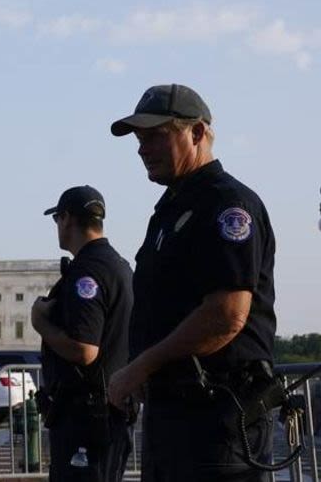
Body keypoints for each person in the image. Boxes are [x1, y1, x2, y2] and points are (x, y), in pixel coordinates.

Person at [105, 84, 278, 481]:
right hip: (178, 419)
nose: (142, 148)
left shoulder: (226, 205)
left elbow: (226, 315)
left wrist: (140, 368)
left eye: (155, 135)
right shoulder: (175, 208)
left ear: (197, 133)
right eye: (139, 138)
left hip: (217, 421)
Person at [30, 185, 133, 481]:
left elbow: (84, 349)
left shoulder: (87, 272)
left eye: (57, 220)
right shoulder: (119, 266)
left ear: (67, 219)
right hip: (107, 412)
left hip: (86, 420)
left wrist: (41, 323)